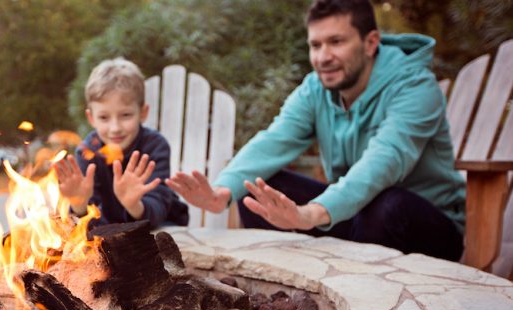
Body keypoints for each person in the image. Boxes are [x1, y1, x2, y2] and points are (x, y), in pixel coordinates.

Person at [166, 0, 465, 261]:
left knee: (387, 205)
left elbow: (384, 161)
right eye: (315, 45)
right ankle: (287, 298)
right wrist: (223, 191)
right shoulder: (316, 88)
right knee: (260, 189)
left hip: (426, 227)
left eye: (336, 42)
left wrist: (311, 213)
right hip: (357, 218)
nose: (323, 57)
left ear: (371, 42)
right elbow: (274, 141)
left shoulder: (416, 87)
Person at [54, 58, 189, 228]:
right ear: (91, 118)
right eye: (104, 117)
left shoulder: (155, 146)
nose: (115, 128)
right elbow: (87, 225)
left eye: (125, 115)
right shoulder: (87, 152)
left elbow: (159, 207)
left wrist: (134, 205)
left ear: (143, 113)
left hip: (161, 230)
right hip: (112, 235)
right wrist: (79, 205)